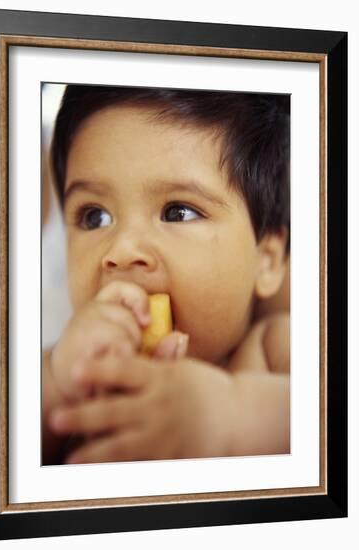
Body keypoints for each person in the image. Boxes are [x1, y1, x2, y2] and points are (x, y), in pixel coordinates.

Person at [42, 85, 290, 465]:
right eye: (94, 216)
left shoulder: (272, 348)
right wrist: (58, 383)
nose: (121, 251)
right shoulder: (74, 368)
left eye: (178, 212)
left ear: (267, 260)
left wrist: (228, 420)